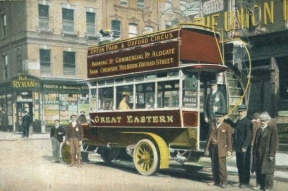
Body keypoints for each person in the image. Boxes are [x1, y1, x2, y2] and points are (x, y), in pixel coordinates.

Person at [251, 112, 278, 191]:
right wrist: (254, 152)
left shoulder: (272, 129)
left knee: (268, 171)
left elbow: (274, 143)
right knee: (259, 169)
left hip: (267, 153)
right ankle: (260, 185)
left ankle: (269, 187)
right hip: (259, 153)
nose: (262, 122)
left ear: (268, 121)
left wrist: (272, 154)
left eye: (264, 121)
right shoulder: (259, 129)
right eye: (262, 121)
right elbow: (256, 141)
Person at [204, 112, 233, 188]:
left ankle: (224, 182)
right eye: (217, 117)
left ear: (223, 118)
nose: (218, 118)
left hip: (222, 149)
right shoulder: (212, 126)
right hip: (213, 148)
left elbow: (229, 139)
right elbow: (208, 138)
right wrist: (207, 148)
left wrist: (229, 150)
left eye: (220, 117)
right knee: (214, 165)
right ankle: (216, 181)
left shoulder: (227, 126)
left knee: (221, 166)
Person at [229, 105, 253, 188]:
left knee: (245, 165)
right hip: (238, 147)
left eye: (242, 111)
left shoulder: (248, 122)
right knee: (239, 165)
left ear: (245, 112)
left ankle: (245, 182)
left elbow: (249, 136)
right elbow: (234, 127)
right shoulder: (239, 121)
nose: (240, 113)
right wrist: (227, 119)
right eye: (239, 111)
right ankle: (240, 181)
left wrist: (245, 146)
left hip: (244, 148)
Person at [250, 112, 261, 189]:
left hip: (253, 146)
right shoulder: (259, 124)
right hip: (258, 146)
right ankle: (259, 183)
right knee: (258, 166)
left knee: (256, 165)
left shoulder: (252, 123)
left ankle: (258, 183)